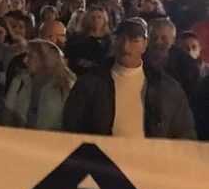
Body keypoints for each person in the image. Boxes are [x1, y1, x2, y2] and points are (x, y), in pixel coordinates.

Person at [63, 19, 196, 139]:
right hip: (101, 157)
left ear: (145, 44)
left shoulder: (166, 87)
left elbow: (184, 133)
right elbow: (72, 128)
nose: (125, 47)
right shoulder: (89, 84)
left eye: (134, 40)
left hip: (151, 157)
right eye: (120, 39)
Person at [0, 40, 75, 131]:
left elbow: (70, 122)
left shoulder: (66, 85)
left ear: (45, 59)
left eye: (30, 56)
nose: (24, 60)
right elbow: (6, 114)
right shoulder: (20, 80)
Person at [146, 18, 201, 100]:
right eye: (154, 37)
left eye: (164, 38)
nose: (158, 42)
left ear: (173, 40)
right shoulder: (136, 58)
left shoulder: (187, 64)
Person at [65, 5, 112, 75]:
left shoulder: (109, 40)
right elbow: (70, 58)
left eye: (99, 17)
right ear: (87, 19)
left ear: (104, 20)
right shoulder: (76, 39)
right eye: (93, 17)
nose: (96, 20)